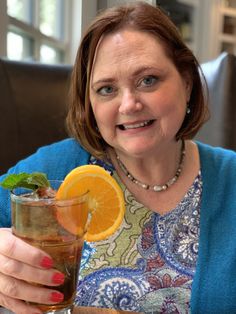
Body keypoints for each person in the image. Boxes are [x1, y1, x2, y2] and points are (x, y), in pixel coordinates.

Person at [0, 1, 236, 313]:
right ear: (90, 105)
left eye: (148, 80)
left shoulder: (231, 178)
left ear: (187, 83)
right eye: (107, 89)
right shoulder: (55, 169)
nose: (128, 104)